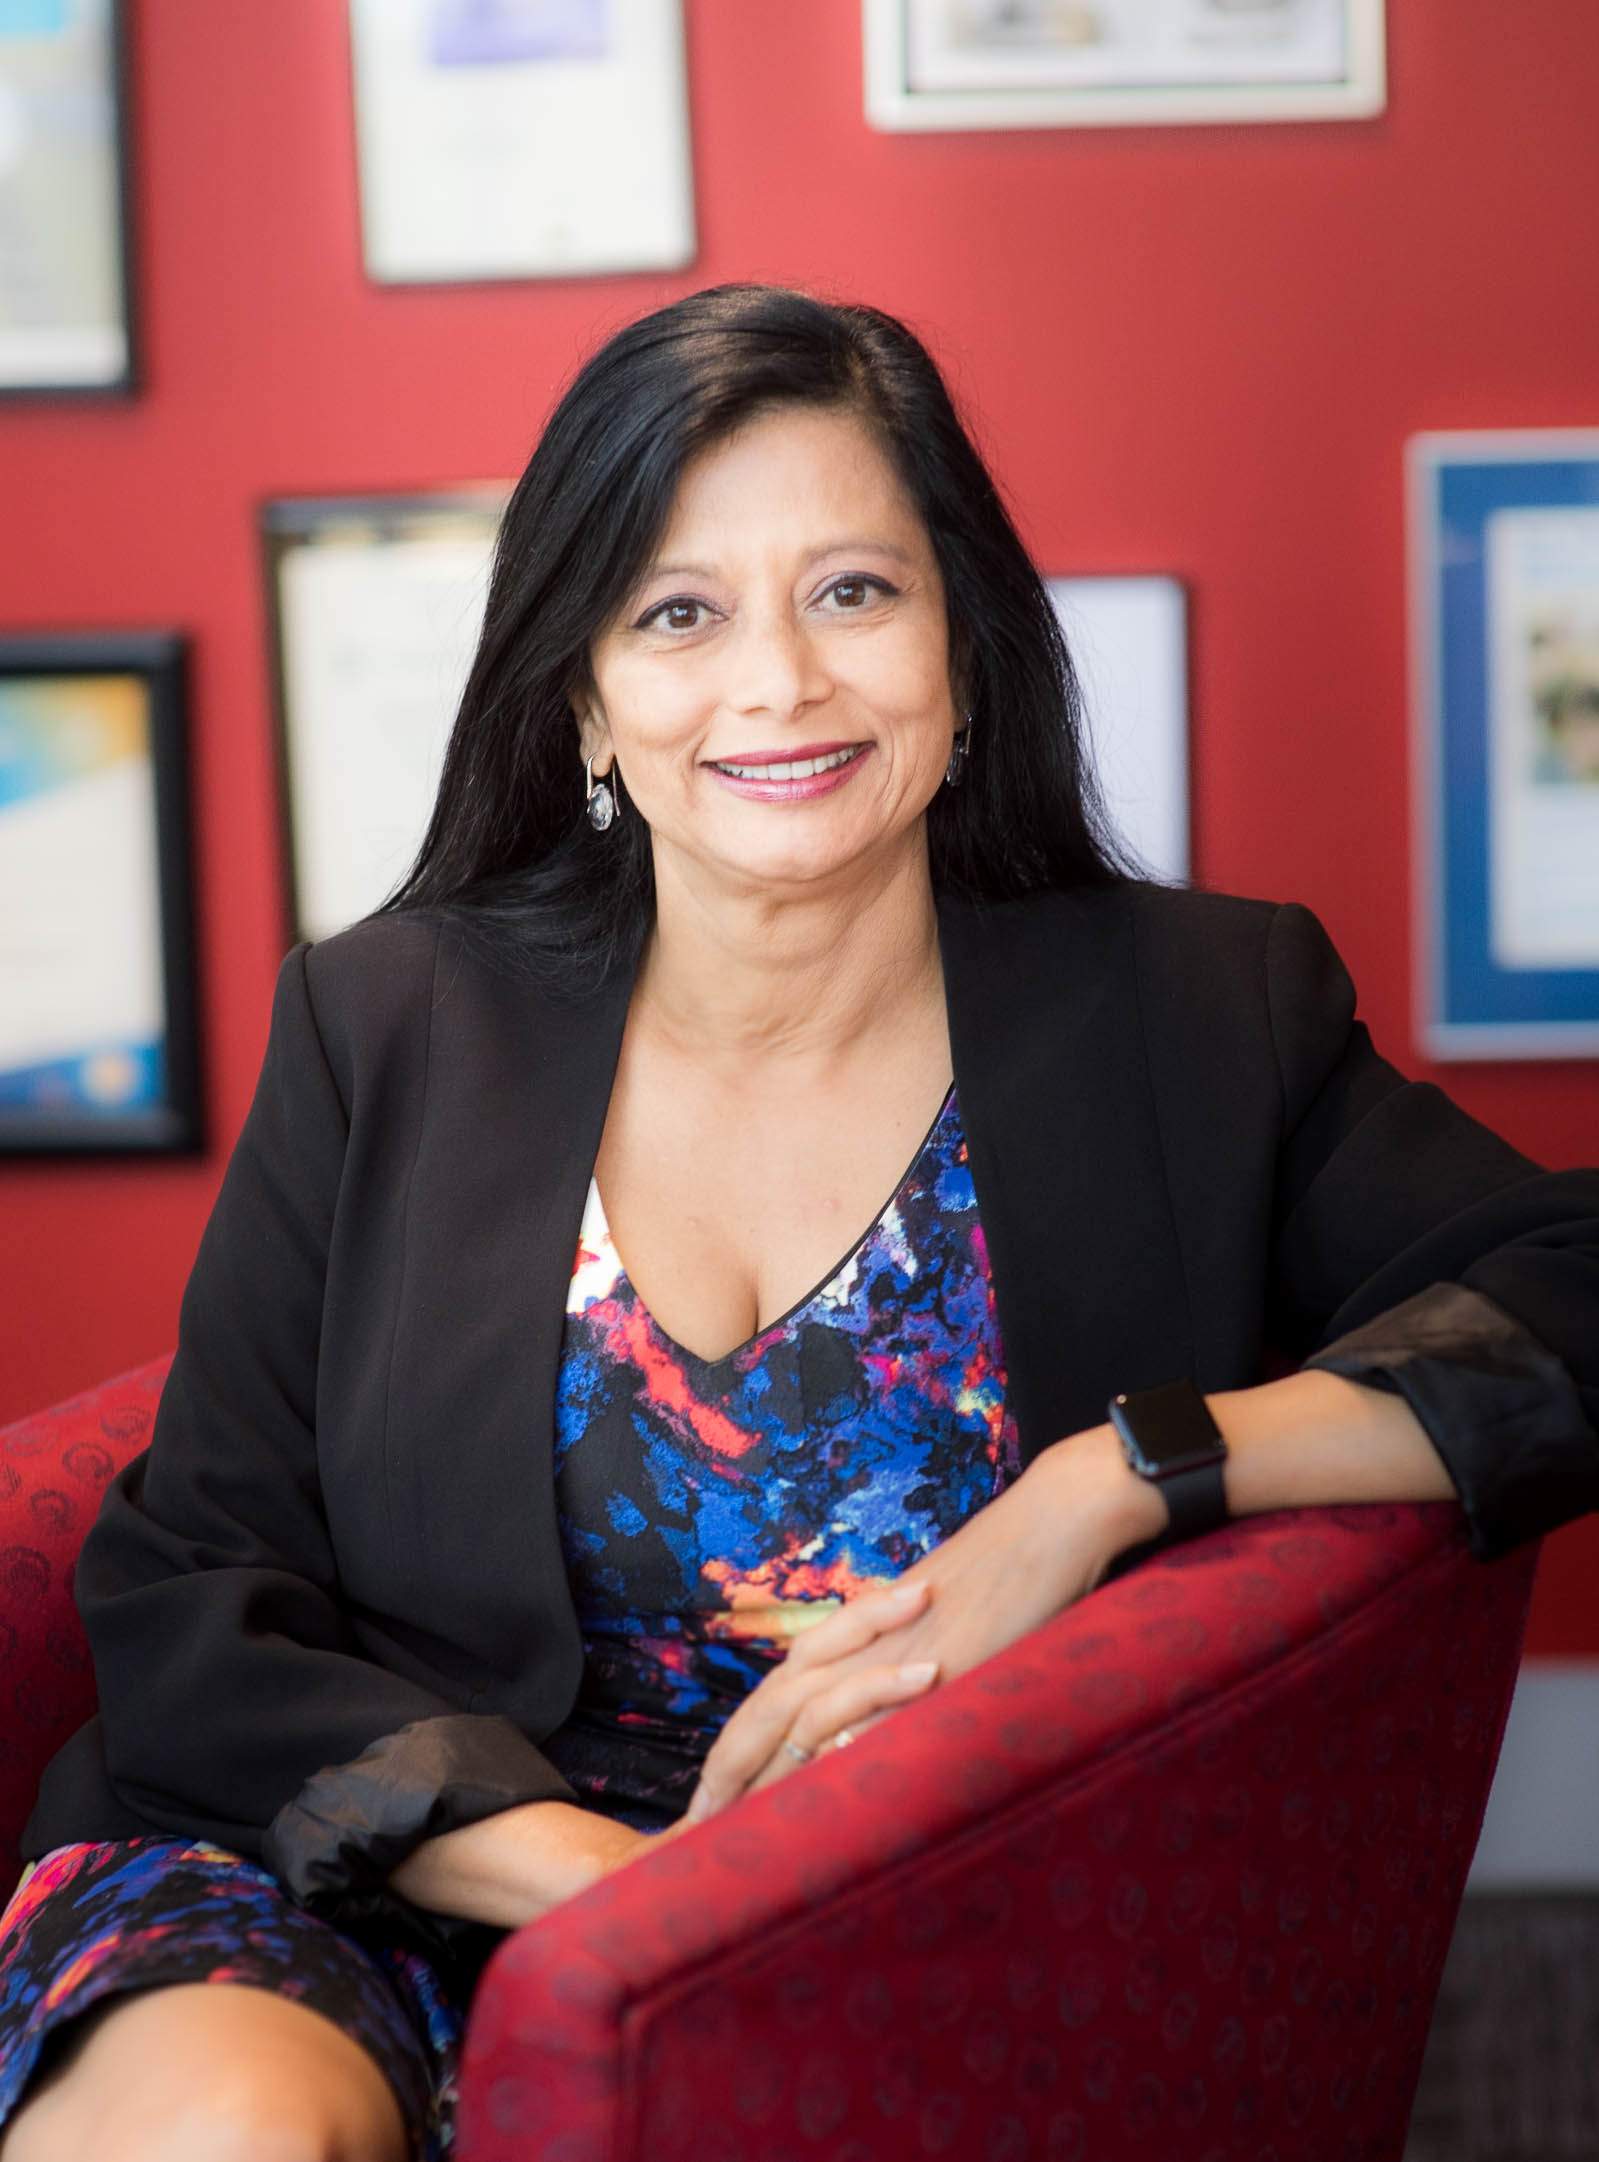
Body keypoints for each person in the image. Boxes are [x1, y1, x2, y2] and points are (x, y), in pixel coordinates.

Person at [2, 282, 1595, 2162]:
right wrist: (611, 1885)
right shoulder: (390, 1024)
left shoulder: (1195, 1013)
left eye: (855, 591)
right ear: (586, 693)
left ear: (967, 649)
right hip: (395, 1865)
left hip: (916, 1918)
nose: (779, 682)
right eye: (680, 613)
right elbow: (191, 1580)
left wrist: (1114, 1479)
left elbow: (1568, 1291)